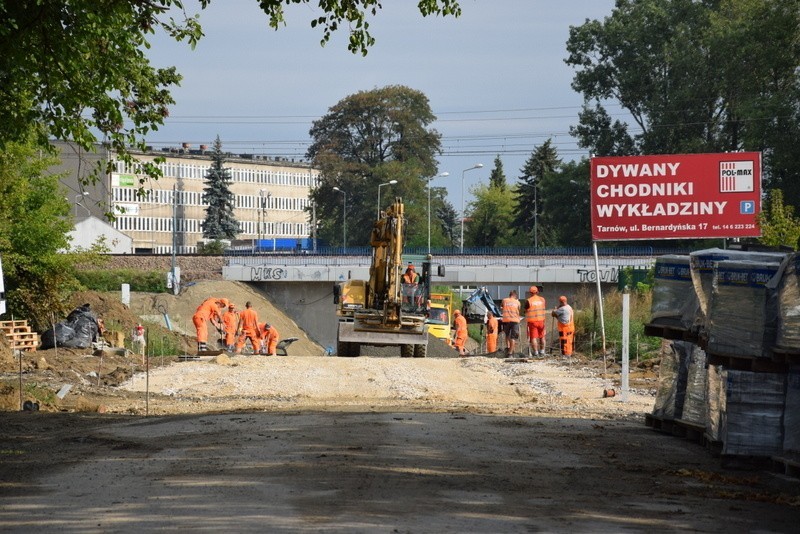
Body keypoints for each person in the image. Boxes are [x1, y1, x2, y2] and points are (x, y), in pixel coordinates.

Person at [524, 285, 547, 357]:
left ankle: (536, 353)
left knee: (533, 338)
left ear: (530, 292)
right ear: (537, 292)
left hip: (532, 322)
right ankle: (542, 352)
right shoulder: (542, 299)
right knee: (542, 337)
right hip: (542, 321)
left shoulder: (529, 301)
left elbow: (525, 310)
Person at [500, 289, 521, 357]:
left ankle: (509, 348)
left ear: (509, 295)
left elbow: (501, 307)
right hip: (515, 321)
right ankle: (510, 353)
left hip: (506, 320)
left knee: (507, 335)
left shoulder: (504, 300)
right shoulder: (517, 302)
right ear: (515, 295)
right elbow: (519, 309)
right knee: (513, 337)